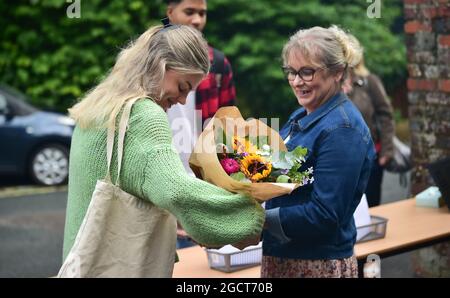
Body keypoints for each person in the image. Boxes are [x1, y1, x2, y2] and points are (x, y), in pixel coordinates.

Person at [62, 24, 264, 272]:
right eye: (182, 87)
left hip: (82, 264)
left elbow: (132, 181)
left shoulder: (100, 107)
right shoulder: (144, 115)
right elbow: (176, 191)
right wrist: (251, 218)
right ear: (160, 64)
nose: (181, 100)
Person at [261, 25, 375, 278]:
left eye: (307, 72)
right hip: (285, 256)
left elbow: (324, 214)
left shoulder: (342, 129)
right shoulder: (303, 113)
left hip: (315, 264)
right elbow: (281, 178)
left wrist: (258, 220)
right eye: (291, 72)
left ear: (337, 72)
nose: (297, 81)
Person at [165, 0, 237, 247]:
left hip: (203, 182)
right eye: (189, 12)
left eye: (202, 13)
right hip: (160, 179)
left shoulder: (217, 63)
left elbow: (228, 127)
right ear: (170, 12)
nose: (197, 19)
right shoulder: (150, 58)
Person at [343, 38, 395, 207]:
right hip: (342, 157)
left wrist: (387, 150)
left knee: (371, 206)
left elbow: (385, 114)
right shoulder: (330, 86)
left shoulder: (369, 81)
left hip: (371, 155)